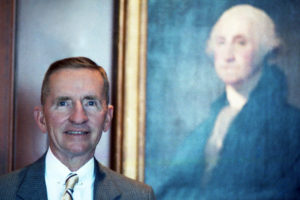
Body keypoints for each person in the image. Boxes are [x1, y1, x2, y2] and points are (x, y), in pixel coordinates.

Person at [157, 4, 300, 200]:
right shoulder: (206, 127)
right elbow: (167, 193)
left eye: (241, 43)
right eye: (221, 42)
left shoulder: (292, 125)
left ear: (265, 50)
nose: (227, 55)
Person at [0, 57, 155, 200]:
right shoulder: (4, 191)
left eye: (90, 103)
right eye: (63, 103)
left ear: (107, 118)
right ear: (41, 119)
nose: (78, 118)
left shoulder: (138, 196)